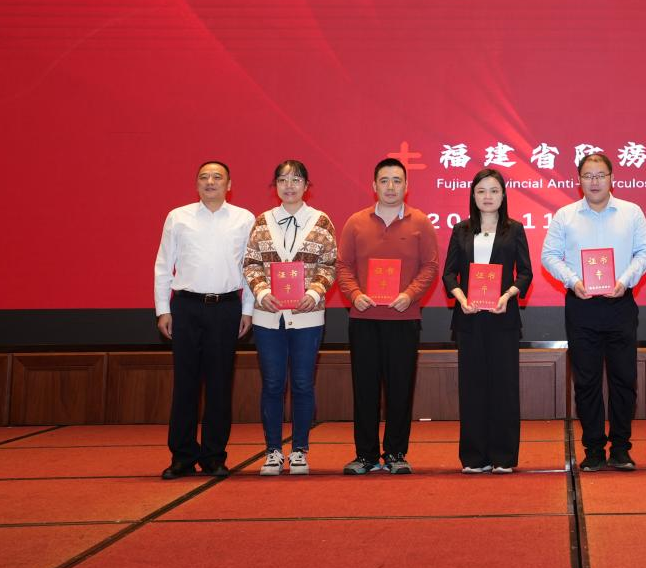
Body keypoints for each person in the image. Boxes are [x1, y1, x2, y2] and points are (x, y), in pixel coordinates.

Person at [541, 152, 646, 472]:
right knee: (586, 381)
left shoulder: (631, 212)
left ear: (611, 178)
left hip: (620, 304)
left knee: (624, 379)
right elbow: (549, 255)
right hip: (582, 305)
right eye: (588, 176)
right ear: (579, 180)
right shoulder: (565, 216)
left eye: (600, 175)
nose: (594, 181)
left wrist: (625, 280)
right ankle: (593, 448)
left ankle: (620, 447)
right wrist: (573, 281)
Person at [335, 157, 438, 475]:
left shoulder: (421, 222)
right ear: (374, 185)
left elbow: (430, 266)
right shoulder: (356, 222)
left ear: (406, 186)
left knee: (400, 388)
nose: (390, 186)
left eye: (397, 180)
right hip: (364, 319)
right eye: (384, 180)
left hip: (404, 320)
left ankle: (395, 453)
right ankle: (365, 455)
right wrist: (355, 294)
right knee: (364, 388)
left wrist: (410, 295)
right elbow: (343, 266)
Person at [154, 161, 255, 480]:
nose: (210, 182)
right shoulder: (178, 217)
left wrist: (248, 310)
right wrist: (163, 309)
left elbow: (250, 269)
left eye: (217, 177)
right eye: (204, 177)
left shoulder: (244, 219)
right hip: (186, 307)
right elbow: (163, 265)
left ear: (229, 185)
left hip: (226, 308)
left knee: (219, 385)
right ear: (196, 183)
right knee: (185, 384)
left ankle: (214, 456)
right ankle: (182, 456)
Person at [244, 160, 337, 476]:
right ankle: (272, 451)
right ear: (275, 186)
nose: (289, 186)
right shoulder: (262, 221)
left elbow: (329, 264)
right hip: (268, 317)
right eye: (283, 180)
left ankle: (299, 450)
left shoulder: (321, 221)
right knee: (272, 384)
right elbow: (251, 263)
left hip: (307, 317)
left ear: (307, 185)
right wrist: (261, 293)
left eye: (296, 180)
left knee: (302, 383)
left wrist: (314, 292)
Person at [442, 168, 533, 473]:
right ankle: (474, 457)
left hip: (502, 318)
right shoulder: (461, 230)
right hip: (469, 319)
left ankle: (503, 456)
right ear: (473, 195)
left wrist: (507, 295)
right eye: (481, 191)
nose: (488, 196)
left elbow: (525, 273)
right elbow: (449, 273)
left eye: (494, 190)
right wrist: (461, 298)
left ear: (503, 195)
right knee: (472, 387)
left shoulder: (514, 229)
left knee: (504, 387)